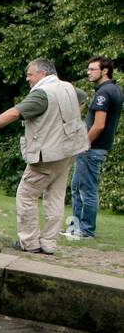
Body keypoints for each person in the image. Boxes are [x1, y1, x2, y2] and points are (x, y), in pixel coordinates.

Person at [0, 58, 89, 256]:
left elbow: (13, 114)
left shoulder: (42, 94)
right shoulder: (68, 87)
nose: (28, 78)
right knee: (56, 196)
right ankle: (48, 243)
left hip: (49, 154)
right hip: (68, 151)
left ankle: (29, 242)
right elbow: (83, 98)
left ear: (43, 73)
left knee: (26, 194)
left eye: (30, 74)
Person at [64, 56, 120, 240]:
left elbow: (99, 125)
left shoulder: (104, 93)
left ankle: (85, 230)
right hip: (96, 147)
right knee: (78, 187)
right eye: (88, 69)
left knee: (85, 189)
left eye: (92, 69)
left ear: (105, 71)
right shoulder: (115, 89)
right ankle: (76, 228)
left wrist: (84, 144)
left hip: (92, 148)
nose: (88, 72)